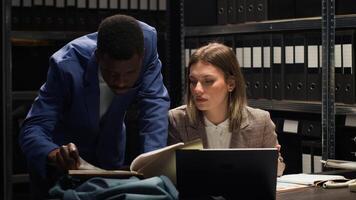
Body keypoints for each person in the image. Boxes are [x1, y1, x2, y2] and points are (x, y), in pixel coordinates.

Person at [19, 14, 170, 199]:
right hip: (64, 171)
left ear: (142, 55)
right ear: (99, 57)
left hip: (110, 160)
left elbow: (154, 104)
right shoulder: (66, 66)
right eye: (112, 73)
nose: (121, 83)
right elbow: (32, 129)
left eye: (130, 73)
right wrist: (56, 154)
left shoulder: (147, 42)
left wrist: (150, 166)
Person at [168, 42, 285, 176]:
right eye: (193, 81)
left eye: (208, 81)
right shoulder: (177, 120)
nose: (197, 89)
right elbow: (172, 175)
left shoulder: (260, 121)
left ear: (230, 84)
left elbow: (278, 171)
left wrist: (272, 161)